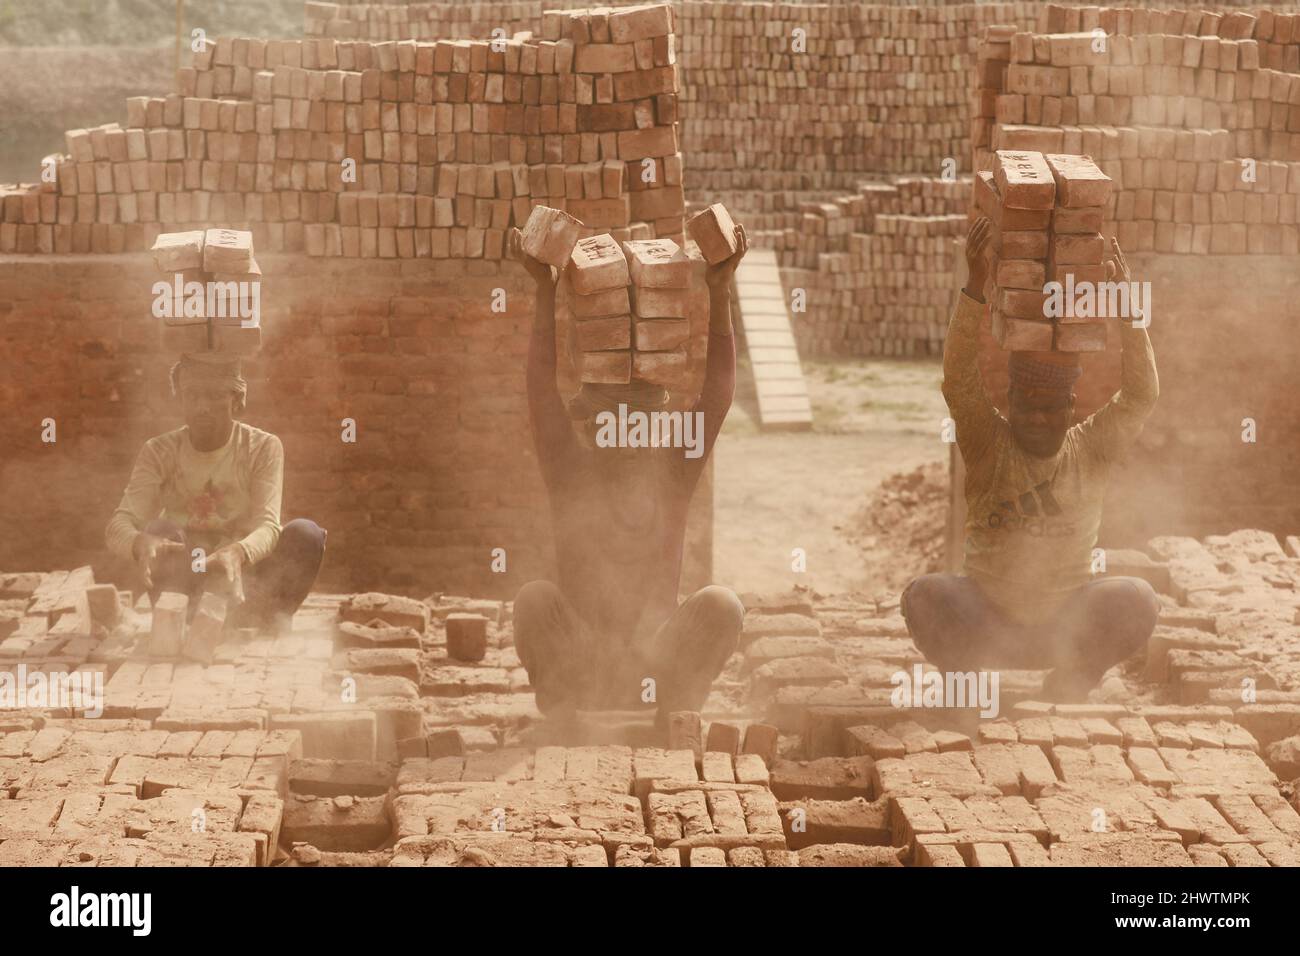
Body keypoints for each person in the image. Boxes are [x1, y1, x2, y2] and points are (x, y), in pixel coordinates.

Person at [902, 216, 1160, 702]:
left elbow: (1141, 395)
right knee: (926, 596)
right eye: (1026, 406)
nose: (1037, 420)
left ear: (1070, 408)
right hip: (986, 619)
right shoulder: (987, 442)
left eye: (1049, 409)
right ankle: (968, 686)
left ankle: (1070, 683)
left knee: (1137, 599)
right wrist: (975, 285)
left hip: (1065, 624)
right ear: (1010, 401)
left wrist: (1128, 310)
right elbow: (959, 380)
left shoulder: (1092, 446)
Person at [510, 224, 749, 722]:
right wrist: (544, 291)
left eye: (636, 424)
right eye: (612, 423)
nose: (626, 435)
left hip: (658, 665)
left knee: (722, 605)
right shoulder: (570, 470)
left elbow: (717, 396)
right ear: (595, 426)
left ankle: (673, 711)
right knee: (534, 600)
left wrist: (720, 290)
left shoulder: (673, 472)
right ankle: (568, 711)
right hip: (583, 662)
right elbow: (540, 392)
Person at [105, 353, 325, 632]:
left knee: (306, 534)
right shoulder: (159, 451)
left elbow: (269, 527)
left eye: (214, 395)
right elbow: (116, 526)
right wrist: (139, 542)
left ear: (237, 400)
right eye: (192, 395)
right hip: (188, 577)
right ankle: (180, 622)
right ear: (180, 399)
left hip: (244, 580)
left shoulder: (262, 447)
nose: (202, 406)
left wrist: (237, 552)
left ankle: (264, 619)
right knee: (159, 530)